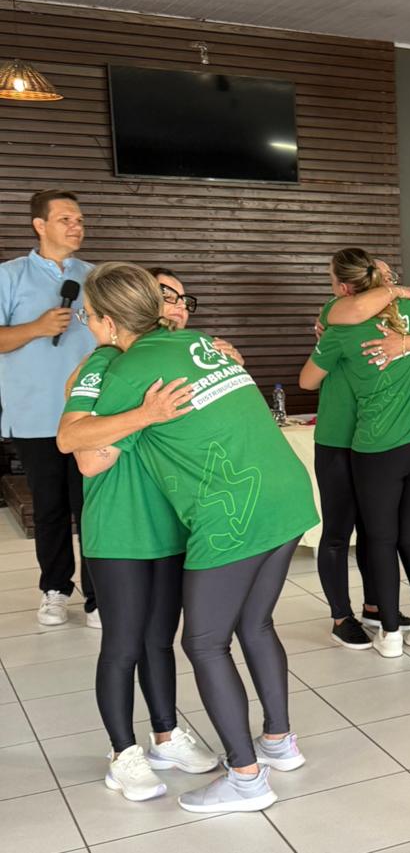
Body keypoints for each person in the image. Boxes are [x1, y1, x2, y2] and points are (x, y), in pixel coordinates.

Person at [59, 262, 318, 814]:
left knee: (203, 643)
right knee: (254, 622)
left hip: (235, 513)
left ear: (108, 321)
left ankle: (245, 779)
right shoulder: (202, 345)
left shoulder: (131, 367)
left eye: (88, 315)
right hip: (289, 494)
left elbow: (76, 446)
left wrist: (142, 413)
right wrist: (145, 415)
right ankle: (278, 742)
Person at [57, 306, 219, 802]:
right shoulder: (104, 362)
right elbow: (87, 457)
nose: (177, 308)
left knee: (158, 640)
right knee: (123, 644)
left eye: (182, 299)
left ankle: (166, 737)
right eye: (166, 297)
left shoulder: (177, 357)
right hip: (119, 528)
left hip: (168, 524)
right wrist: (142, 419)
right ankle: (122, 753)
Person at [301, 248, 410, 658]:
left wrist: (404, 341)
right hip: (341, 438)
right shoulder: (339, 316)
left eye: (391, 277)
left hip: (376, 442)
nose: (388, 282)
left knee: (377, 534)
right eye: (382, 276)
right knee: (339, 532)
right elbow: (309, 379)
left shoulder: (400, 318)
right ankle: (341, 617)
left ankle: (378, 611)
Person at [0, 189, 97, 627]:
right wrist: (36, 327)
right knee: (51, 507)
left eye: (79, 220)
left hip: (91, 414)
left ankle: (98, 594)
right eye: (65, 219)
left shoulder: (93, 277)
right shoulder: (9, 276)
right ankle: (55, 588)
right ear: (39, 225)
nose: (76, 226)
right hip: (35, 414)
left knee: (92, 506)